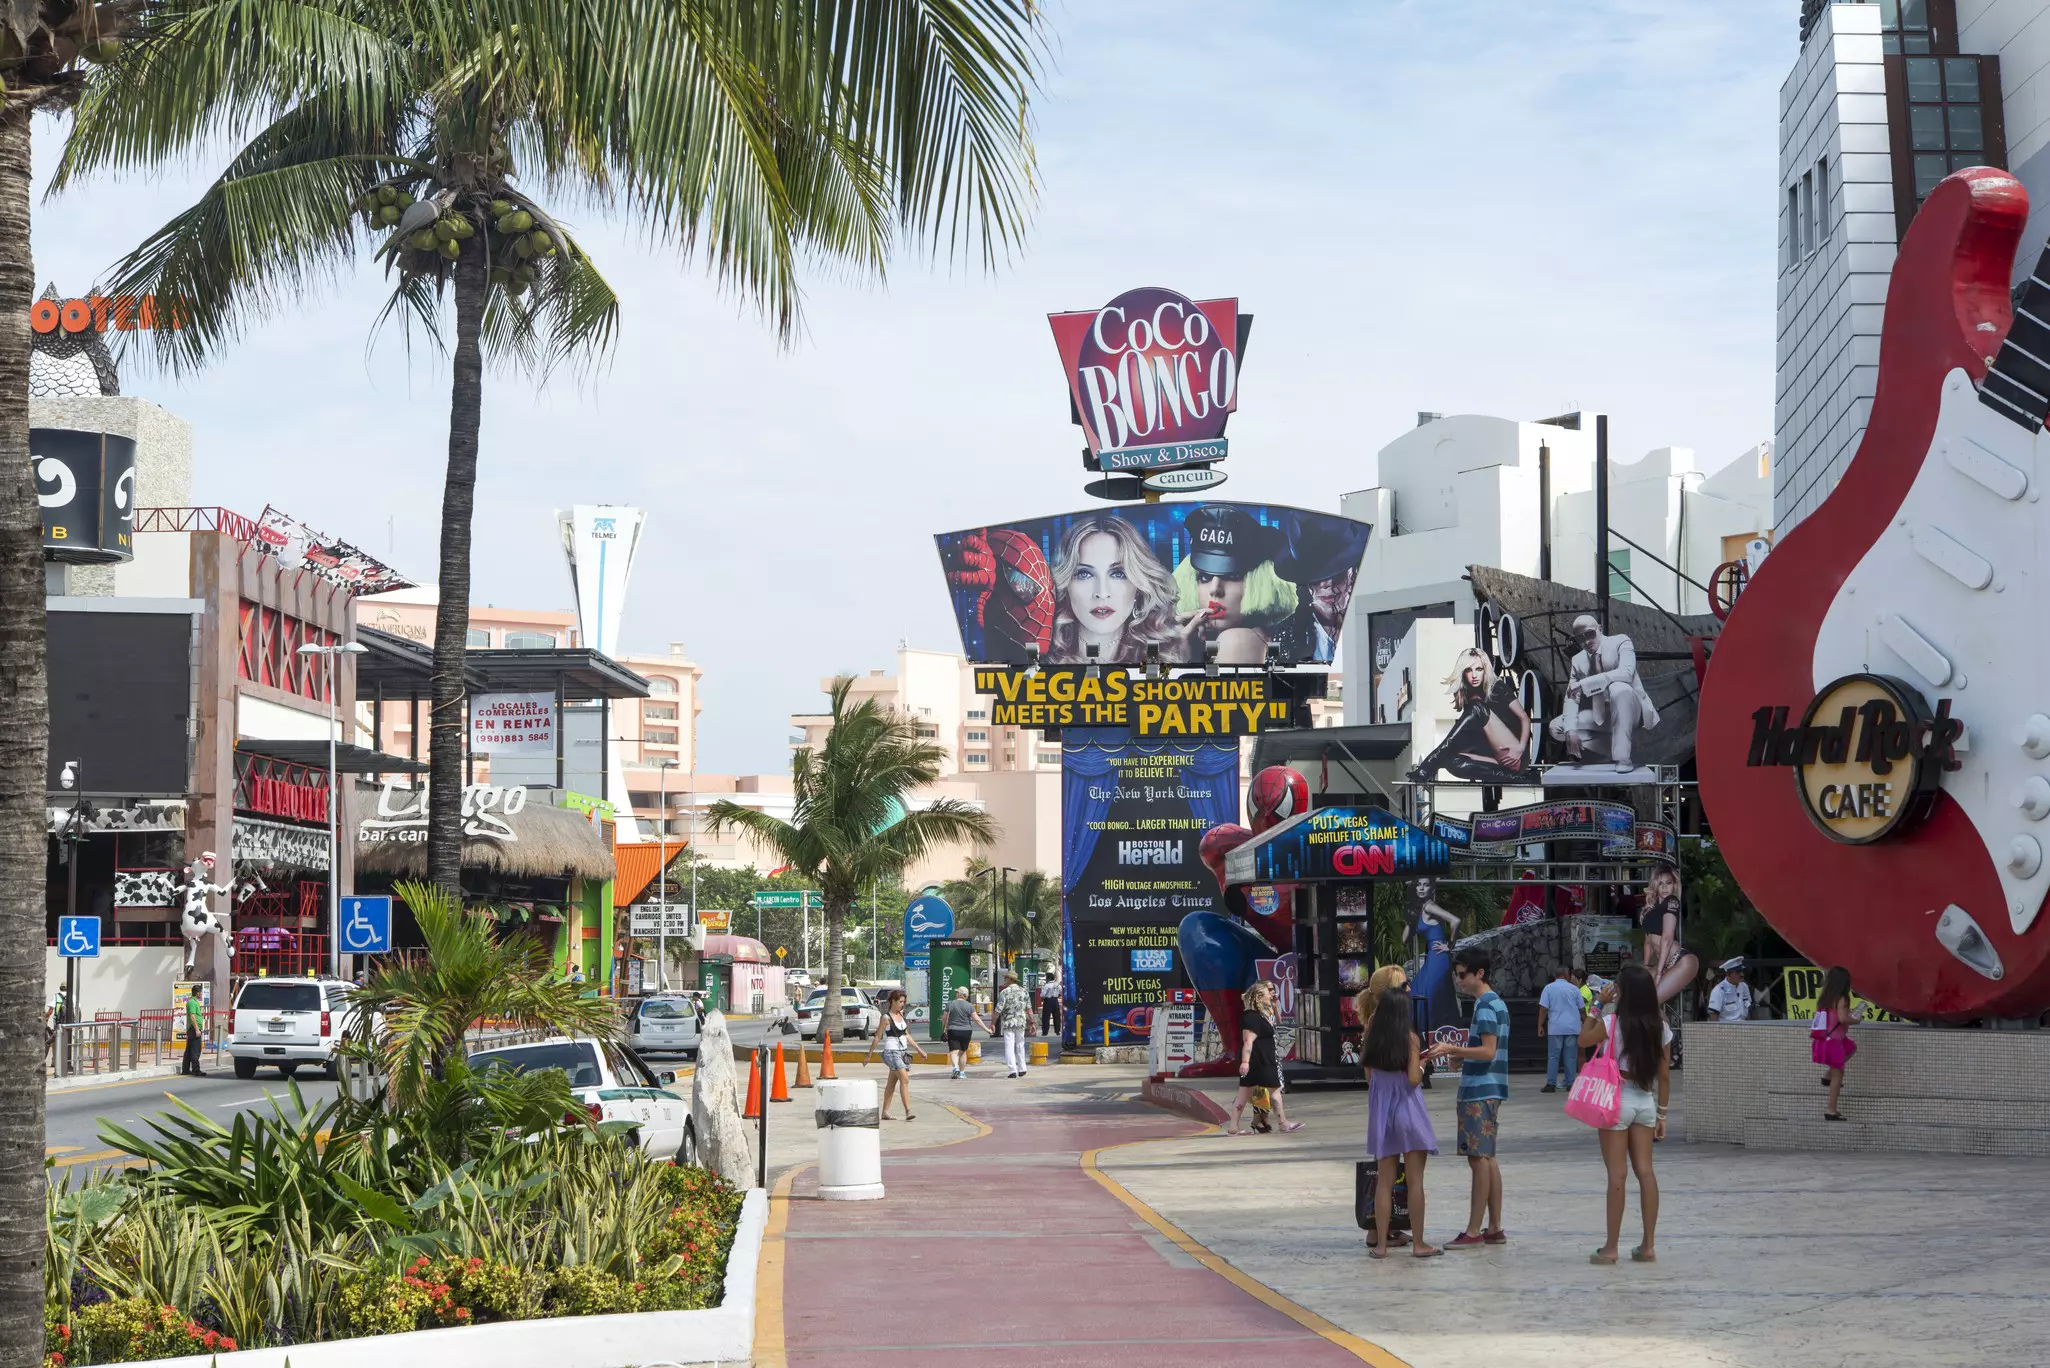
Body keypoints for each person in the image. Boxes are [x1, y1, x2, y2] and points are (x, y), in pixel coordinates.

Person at [1579, 963, 1671, 1265]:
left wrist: (1597, 1003)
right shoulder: (1661, 1026)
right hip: (1645, 1100)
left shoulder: (1611, 1021)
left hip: (1615, 1099)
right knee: (1646, 1172)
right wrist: (1662, 1115)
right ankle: (1648, 1246)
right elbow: (1665, 1076)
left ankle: (1611, 1248)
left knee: (1616, 1174)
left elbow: (1583, 1040)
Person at [1424, 946, 1508, 1248]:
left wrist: (1452, 1050)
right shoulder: (1495, 1003)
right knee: (1488, 1158)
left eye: (1463, 975)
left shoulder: (1484, 1006)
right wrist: (1462, 1058)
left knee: (1478, 1159)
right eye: (1456, 976)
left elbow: (1488, 1050)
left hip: (1479, 1090)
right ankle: (1494, 1226)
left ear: (1479, 974)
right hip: (1491, 1086)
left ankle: (1474, 1231)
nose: (1459, 981)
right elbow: (1486, 1052)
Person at [1363, 986, 1443, 1259]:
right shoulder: (1410, 1039)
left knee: (1384, 1182)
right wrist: (1422, 1065)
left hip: (1382, 1115)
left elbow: (1370, 1079)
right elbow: (1412, 1079)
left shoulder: (1371, 1039)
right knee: (1415, 1181)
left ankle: (1382, 1245)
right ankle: (1419, 1244)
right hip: (1408, 1111)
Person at [1047, 515, 1184, 664]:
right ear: (1066, 585)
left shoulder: (1166, 654)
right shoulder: (1042, 655)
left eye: (1118, 573)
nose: (1102, 593)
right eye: (1084, 574)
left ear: (1139, 586)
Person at [1171, 505, 1296, 665]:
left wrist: (1179, 661)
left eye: (1233, 576)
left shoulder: (1238, 639)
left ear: (1260, 582)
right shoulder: (1211, 640)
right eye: (1204, 577)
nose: (1215, 589)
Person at [1548, 614, 1661, 771]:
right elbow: (1572, 697)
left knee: (1619, 688)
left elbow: (1626, 673)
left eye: (1589, 634)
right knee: (1557, 727)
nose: (1586, 642)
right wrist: (1571, 730)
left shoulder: (1621, 641)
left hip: (1632, 712)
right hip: (1602, 716)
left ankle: (1623, 758)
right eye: (1580, 638)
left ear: (1599, 629)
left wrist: (1585, 683)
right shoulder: (1578, 660)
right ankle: (1610, 748)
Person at [1406, 648, 1533, 783]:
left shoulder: (1497, 687)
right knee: (1452, 761)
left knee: (1477, 708)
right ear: (1463, 673)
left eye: (1479, 669)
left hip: (1514, 755)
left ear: (1486, 670)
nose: (1474, 675)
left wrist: (1520, 748)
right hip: (1495, 758)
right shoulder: (1468, 696)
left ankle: (1427, 767)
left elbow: (1524, 717)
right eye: (1468, 670)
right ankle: (1515, 778)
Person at [1225, 981, 1303, 1135]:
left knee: (1246, 1094)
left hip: (1262, 1060)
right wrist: (1245, 1062)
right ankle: (1283, 1123)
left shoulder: (1259, 1015)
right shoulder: (1251, 1017)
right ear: (1260, 997)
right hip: (1259, 1061)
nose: (1271, 995)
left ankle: (1234, 1126)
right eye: (1268, 994)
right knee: (1273, 1092)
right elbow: (1248, 1042)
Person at [862, 989, 927, 1120]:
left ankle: (885, 1112)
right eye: (900, 1002)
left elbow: (906, 1034)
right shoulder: (886, 1018)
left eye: (904, 1002)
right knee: (904, 1079)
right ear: (892, 1001)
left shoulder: (901, 1015)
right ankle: (908, 1111)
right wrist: (869, 1055)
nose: (902, 1004)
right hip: (892, 1052)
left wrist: (919, 1050)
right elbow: (878, 1037)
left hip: (902, 1052)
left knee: (891, 1083)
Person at [1638, 866, 1698, 1004]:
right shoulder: (1650, 910)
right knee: (1641, 1002)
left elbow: (1667, 937)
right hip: (1665, 963)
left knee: (1649, 1003)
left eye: (1668, 882)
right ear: (1655, 886)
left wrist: (1658, 972)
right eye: (1660, 883)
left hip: (1680, 960)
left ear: (1674, 885)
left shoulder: (1672, 901)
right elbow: (1648, 942)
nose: (1664, 887)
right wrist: (1646, 967)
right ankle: (1662, 1026)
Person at [1812, 965, 1862, 1121]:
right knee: (1838, 1075)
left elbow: (1834, 1015)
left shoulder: (1826, 997)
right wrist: (1856, 1020)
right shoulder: (1843, 997)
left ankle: (1827, 1075)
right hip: (1834, 1042)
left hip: (1825, 1039)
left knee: (1851, 1048)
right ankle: (1831, 1110)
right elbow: (1842, 1019)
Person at [1538, 964, 1583, 1093]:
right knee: (1571, 1056)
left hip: (1555, 1028)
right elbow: (1581, 1009)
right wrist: (1585, 1022)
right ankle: (1570, 1083)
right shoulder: (1574, 989)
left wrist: (1540, 1025)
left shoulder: (1548, 988)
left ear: (1555, 975)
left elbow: (1543, 1008)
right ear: (1566, 975)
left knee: (1553, 1056)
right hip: (1572, 1027)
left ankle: (1551, 1084)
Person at [942, 987, 987, 1080]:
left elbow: (944, 1018)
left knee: (954, 1051)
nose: (956, 993)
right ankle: (962, 1073)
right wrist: (986, 1029)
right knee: (963, 1052)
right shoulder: (969, 1006)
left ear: (959, 994)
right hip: (966, 1031)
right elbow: (977, 1019)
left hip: (953, 1030)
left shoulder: (950, 1004)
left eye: (957, 992)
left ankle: (955, 1067)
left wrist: (944, 1029)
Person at [995, 973, 1033, 1078]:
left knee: (1009, 1045)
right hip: (1021, 1022)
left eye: (1005, 978)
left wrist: (992, 1023)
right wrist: (1032, 1022)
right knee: (1020, 1045)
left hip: (1008, 1023)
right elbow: (1029, 1009)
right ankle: (1022, 1068)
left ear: (1010, 979)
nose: (1004, 980)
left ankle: (1012, 1070)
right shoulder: (1024, 991)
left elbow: (998, 1010)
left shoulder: (1004, 992)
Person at [1707, 957, 1753, 1023]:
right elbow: (1713, 1016)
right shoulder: (1719, 990)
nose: (1742, 974)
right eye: (1738, 972)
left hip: (1744, 1027)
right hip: (1727, 1028)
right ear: (1729, 974)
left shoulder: (1744, 986)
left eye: (1742, 971)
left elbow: (1748, 1008)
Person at [180, 986, 207, 1077]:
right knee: (195, 1050)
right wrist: (196, 1029)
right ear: (197, 993)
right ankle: (196, 1070)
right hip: (193, 1029)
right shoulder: (192, 1002)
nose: (202, 994)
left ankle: (186, 1069)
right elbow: (192, 1016)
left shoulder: (194, 1002)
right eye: (201, 992)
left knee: (189, 1050)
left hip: (193, 1029)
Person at [1038, 971, 1063, 1038]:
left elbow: (1042, 995)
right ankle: (1057, 1031)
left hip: (1048, 1001)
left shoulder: (1046, 986)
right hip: (1055, 1001)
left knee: (1046, 1017)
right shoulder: (1057, 985)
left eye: (1046, 978)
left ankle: (1045, 1032)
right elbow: (1061, 992)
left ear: (1048, 978)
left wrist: (1042, 997)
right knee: (1056, 1016)